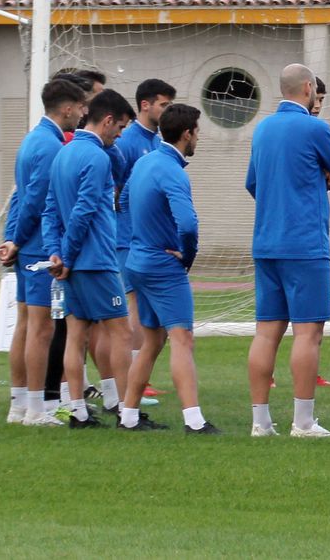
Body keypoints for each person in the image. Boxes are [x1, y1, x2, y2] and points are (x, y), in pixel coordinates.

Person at [244, 64, 330, 438]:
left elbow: (252, 183)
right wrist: (320, 177)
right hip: (304, 244)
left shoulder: (262, 129)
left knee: (265, 333)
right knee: (308, 334)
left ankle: (260, 422)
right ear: (309, 88)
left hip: (266, 243)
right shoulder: (315, 127)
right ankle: (303, 422)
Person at [119, 103, 218, 433]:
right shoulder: (173, 170)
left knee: (151, 342)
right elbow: (188, 225)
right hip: (162, 265)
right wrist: (185, 257)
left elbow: (124, 202)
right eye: (198, 133)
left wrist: (143, 236)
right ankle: (194, 420)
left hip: (136, 261)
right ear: (187, 133)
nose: (198, 139)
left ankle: (128, 417)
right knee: (182, 338)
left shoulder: (144, 162)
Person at [0, 76, 89, 426]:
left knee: (24, 325)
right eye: (81, 107)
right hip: (37, 249)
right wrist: (18, 241)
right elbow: (35, 201)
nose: (83, 113)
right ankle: (36, 408)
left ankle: (19, 404)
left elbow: (20, 196)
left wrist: (11, 239)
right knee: (41, 329)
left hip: (25, 246)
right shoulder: (51, 146)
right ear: (66, 108)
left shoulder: (32, 139)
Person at [42, 88, 134, 427]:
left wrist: (56, 253)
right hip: (94, 259)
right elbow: (83, 212)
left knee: (76, 333)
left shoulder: (64, 153)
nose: (120, 136)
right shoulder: (97, 158)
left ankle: (77, 410)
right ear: (108, 121)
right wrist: (65, 254)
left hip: (71, 261)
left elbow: (50, 209)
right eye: (121, 128)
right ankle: (128, 412)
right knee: (122, 332)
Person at [115, 78, 175, 405]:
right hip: (127, 239)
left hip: (149, 241)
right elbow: (113, 189)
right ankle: (135, 381)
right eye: (163, 105)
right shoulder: (127, 142)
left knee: (150, 310)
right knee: (134, 307)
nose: (166, 111)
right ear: (145, 105)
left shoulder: (157, 142)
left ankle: (141, 377)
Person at [304, 76, 330, 390]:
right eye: (317, 98)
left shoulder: (317, 131)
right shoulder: (313, 131)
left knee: (315, 321)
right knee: (285, 322)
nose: (319, 105)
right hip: (304, 243)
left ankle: (312, 371)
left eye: (323, 101)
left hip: (310, 235)